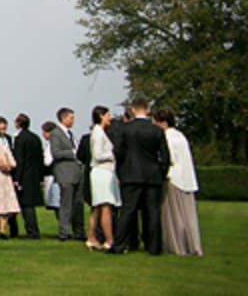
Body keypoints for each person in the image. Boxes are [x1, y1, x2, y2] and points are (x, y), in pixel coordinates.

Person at [107, 95, 169, 255]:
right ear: (148, 110)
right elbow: (165, 156)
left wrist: (121, 171)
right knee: (153, 212)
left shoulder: (125, 129)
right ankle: (154, 247)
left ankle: (119, 245)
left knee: (127, 211)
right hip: (152, 175)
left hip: (131, 174)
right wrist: (160, 172)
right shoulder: (156, 130)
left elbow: (118, 152)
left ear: (132, 110)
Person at [153, 107, 202, 256]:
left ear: (163, 123)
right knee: (188, 216)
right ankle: (192, 245)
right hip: (187, 178)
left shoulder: (167, 137)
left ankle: (177, 246)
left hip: (174, 178)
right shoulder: (180, 136)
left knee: (174, 216)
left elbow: (171, 159)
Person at [48, 107, 86, 241]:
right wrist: (73, 153)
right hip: (65, 172)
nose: (73, 120)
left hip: (77, 171)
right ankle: (63, 232)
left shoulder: (71, 134)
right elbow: (56, 153)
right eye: (71, 118)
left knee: (78, 204)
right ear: (63, 118)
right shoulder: (56, 134)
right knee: (66, 204)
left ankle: (79, 231)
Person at [86, 105, 120, 250]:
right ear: (101, 116)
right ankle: (109, 240)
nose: (109, 118)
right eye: (107, 115)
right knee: (105, 206)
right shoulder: (98, 133)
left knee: (98, 208)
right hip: (102, 172)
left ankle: (91, 238)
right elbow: (98, 155)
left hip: (103, 172)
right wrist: (112, 155)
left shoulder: (99, 132)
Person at [12, 113, 44, 238]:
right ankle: (33, 230)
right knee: (30, 204)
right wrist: (41, 176)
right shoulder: (35, 138)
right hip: (35, 174)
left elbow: (20, 160)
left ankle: (32, 231)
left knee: (26, 204)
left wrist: (16, 178)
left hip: (25, 175)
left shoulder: (20, 139)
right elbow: (40, 158)